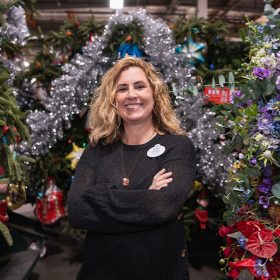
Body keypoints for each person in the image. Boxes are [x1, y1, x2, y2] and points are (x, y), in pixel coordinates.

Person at [68, 57, 196, 280]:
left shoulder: (177, 146)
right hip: (100, 272)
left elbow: (162, 206)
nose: (131, 95)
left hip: (159, 271)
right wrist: (146, 197)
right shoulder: (97, 149)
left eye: (139, 86)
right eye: (122, 89)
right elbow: (78, 211)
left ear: (154, 94)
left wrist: (99, 195)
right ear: (113, 99)